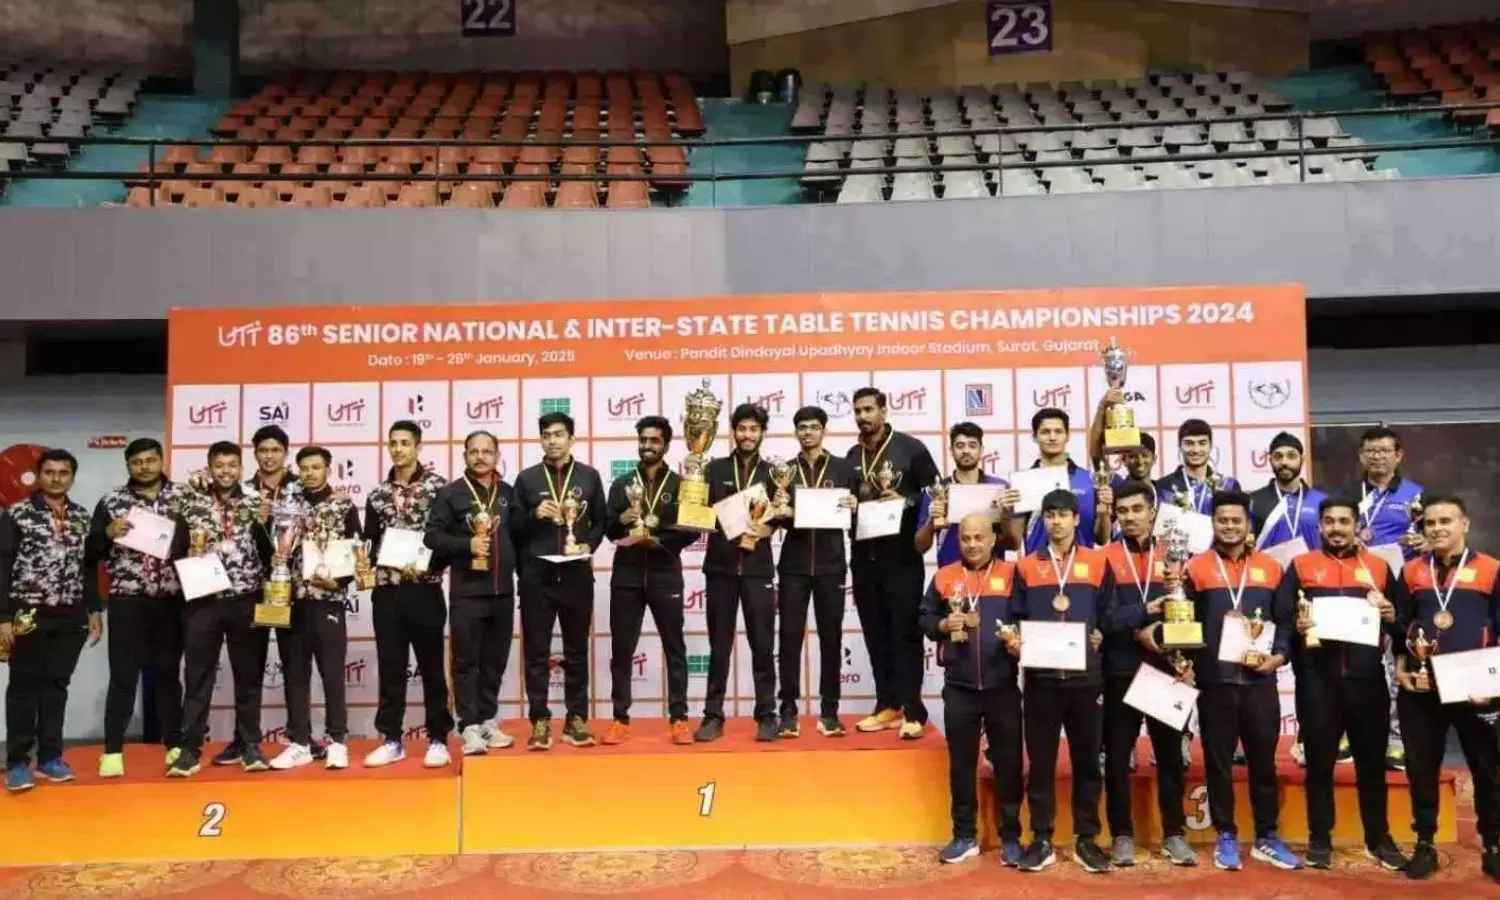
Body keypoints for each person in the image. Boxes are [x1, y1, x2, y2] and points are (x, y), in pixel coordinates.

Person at [1279, 495, 1408, 870]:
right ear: (1320, 526)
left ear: (1357, 526)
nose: (1336, 528)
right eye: (1329, 521)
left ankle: (1378, 838)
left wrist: (1392, 616)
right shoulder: (1301, 565)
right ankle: (1320, 838)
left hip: (1367, 682)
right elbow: (1282, 618)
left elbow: (1400, 626)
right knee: (1319, 764)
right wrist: (1297, 625)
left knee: (1372, 765)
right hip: (1317, 682)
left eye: (1344, 521)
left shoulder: (1379, 568)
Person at [1183, 490, 1299, 871]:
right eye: (1222, 520)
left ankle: (1267, 835)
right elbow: (1185, 624)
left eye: (1236, 520)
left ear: (1249, 524)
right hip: (1215, 682)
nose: (1229, 526)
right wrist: (1186, 662)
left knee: (1263, 762)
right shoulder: (1194, 568)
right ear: (1212, 523)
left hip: (1259, 682)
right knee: (1218, 763)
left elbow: (1285, 621)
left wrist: (1279, 656)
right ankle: (1226, 834)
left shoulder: (1271, 568)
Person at [1002, 488, 1112, 874]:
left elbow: (1109, 612)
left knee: (1088, 763)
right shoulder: (1025, 567)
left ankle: (1087, 838)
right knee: (1041, 763)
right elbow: (1015, 616)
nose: (1057, 521)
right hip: (1042, 680)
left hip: (1086, 680)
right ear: (1043, 520)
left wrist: (1103, 633)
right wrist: (1015, 639)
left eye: (1064, 514)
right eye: (1050, 515)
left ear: (1077, 519)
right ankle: (1042, 838)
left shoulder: (1097, 563)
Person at [1393, 492, 1500, 882]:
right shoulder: (1411, 572)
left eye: (1445, 521)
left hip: (1477, 686)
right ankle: (1424, 844)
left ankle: (1493, 845)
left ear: (1464, 524)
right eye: (1430, 523)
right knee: (1421, 769)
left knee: (1488, 769)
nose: (1437, 528)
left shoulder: (1492, 569)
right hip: (1423, 685)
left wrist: (1496, 682)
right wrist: (1401, 666)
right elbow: (1400, 624)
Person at [920, 513, 1024, 867]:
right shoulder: (944, 576)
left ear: (994, 539)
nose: (973, 545)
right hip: (959, 687)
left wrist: (1020, 641)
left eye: (980, 537)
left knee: (1009, 763)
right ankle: (964, 835)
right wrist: (941, 624)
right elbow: (923, 618)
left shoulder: (1011, 575)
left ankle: (1011, 836)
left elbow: (1026, 618)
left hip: (1002, 685)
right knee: (962, 765)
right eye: (966, 538)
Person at [1101, 479, 1195, 867]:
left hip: (1166, 670)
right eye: (1122, 511)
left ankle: (1174, 833)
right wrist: (1144, 619)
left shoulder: (1176, 554)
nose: (1130, 517)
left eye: (1137, 509)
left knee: (1171, 757)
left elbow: (1192, 612)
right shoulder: (1104, 558)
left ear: (1152, 513)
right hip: (1121, 670)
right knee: (1118, 758)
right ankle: (1122, 835)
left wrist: (1185, 657)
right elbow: (1105, 619)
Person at [1, 449, 102, 791]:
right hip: (27, 613)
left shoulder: (82, 517)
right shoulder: (17, 514)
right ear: (39, 475)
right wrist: (3, 617)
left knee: (56, 687)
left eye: (63, 472)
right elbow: (2, 566)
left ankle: (50, 758)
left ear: (72, 477)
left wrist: (94, 609)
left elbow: (88, 569)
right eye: (50, 472)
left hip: (70, 615)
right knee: (23, 688)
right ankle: (17, 762)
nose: (56, 478)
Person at [170, 442, 273, 777]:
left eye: (231, 465)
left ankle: (250, 746)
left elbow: (270, 553)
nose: (225, 471)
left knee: (248, 676)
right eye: (219, 465)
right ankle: (190, 750)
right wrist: (191, 576)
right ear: (209, 467)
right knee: (197, 676)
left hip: (247, 598)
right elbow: (175, 550)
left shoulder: (257, 501)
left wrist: (267, 526)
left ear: (241, 468)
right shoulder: (191, 501)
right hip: (204, 602)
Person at [91, 437, 191, 778]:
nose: (144, 467)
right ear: (128, 465)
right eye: (137, 462)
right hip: (127, 600)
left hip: (171, 599)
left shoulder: (185, 497)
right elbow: (91, 552)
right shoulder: (112, 501)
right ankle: (112, 751)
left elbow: (199, 541)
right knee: (123, 676)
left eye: (150, 460)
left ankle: (174, 744)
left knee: (167, 674)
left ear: (161, 460)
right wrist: (106, 533)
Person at [846, 387, 939, 738]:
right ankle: (887, 704)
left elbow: (935, 493)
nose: (863, 416)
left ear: (884, 411)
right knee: (875, 634)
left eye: (869, 409)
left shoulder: (911, 449)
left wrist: (905, 500)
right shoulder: (852, 456)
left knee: (905, 635)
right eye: (858, 411)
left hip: (902, 558)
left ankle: (913, 709)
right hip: (864, 557)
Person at [513, 412, 608, 751]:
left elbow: (601, 522)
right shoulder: (527, 479)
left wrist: (588, 545)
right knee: (536, 652)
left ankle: (576, 718)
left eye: (558, 434)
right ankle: (539, 720)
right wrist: (533, 514)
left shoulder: (589, 476)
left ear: (571, 438)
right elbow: (512, 528)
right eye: (546, 435)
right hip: (537, 577)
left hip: (576, 575)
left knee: (576, 651)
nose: (551, 440)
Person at [362, 420, 454, 768]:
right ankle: (391, 739)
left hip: (425, 590)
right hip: (387, 592)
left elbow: (447, 539)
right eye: (393, 443)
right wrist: (363, 560)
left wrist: (430, 565)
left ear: (418, 447)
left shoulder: (439, 488)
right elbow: (370, 541)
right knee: (391, 668)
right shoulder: (377, 494)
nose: (398, 449)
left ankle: (438, 739)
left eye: (405, 443)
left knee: (432, 668)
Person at [602, 415, 698, 745]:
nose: (647, 446)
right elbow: (607, 530)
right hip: (626, 576)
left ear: (666, 445)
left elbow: (692, 530)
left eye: (654, 441)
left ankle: (679, 718)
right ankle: (620, 718)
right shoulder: (622, 484)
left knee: (675, 648)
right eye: (643, 440)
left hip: (665, 574)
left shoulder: (681, 484)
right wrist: (621, 519)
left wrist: (660, 542)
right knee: (622, 649)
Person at [268, 446, 362, 771]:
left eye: (316, 467)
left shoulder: (343, 505)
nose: (309, 473)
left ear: (328, 469)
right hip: (290, 600)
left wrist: (340, 582)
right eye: (304, 468)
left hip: (328, 601)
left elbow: (357, 550)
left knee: (332, 674)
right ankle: (300, 743)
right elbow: (272, 546)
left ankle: (337, 742)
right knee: (295, 675)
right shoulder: (286, 506)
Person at [425, 430, 519, 756]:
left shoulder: (507, 493)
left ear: (497, 455)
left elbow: (519, 537)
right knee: (466, 663)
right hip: (467, 593)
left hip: (503, 592)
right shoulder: (451, 493)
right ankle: (469, 725)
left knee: (495, 662)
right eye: (474, 451)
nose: (481, 457)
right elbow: (432, 537)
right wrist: (467, 544)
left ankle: (488, 720)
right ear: (465, 455)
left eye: (487, 451)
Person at [215, 424, 298, 769]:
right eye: (263, 450)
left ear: (286, 453)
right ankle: (244, 740)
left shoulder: (300, 489)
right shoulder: (243, 492)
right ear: (254, 454)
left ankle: (300, 738)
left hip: (295, 589)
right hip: (252, 590)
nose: (269, 456)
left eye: (275, 450)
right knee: (250, 668)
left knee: (294, 664)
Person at [697, 403, 779, 743]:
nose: (747, 435)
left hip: (758, 570)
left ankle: (767, 715)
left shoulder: (775, 473)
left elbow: (783, 516)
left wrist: (770, 528)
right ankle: (712, 715)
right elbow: (698, 514)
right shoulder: (713, 469)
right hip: (721, 568)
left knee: (763, 644)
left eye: (753, 429)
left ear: (762, 433)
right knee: (719, 645)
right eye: (742, 428)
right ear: (733, 431)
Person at [1346, 425, 1425, 773]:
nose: (1377, 456)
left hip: (1398, 589)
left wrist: (1426, 543)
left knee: (1397, 663)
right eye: (1371, 451)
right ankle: (1348, 733)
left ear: (1398, 455)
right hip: (1354, 587)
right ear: (1361, 456)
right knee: (1352, 663)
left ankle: (1396, 740)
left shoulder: (1416, 495)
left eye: (1384, 450)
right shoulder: (1348, 494)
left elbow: (1433, 536)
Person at [777, 405, 859, 738]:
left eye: (813, 427)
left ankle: (830, 712)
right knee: (789, 638)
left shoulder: (843, 469)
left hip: (831, 565)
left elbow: (858, 514)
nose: (807, 432)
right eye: (802, 427)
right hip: (793, 566)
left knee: (831, 638)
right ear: (795, 432)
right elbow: (774, 518)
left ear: (824, 430)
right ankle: (787, 712)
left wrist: (855, 507)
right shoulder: (783, 471)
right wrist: (779, 510)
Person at [915, 421, 1017, 566]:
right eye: (960, 446)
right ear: (951, 450)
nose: (966, 451)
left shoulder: (1000, 488)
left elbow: (1013, 545)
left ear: (981, 450)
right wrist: (931, 522)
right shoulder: (936, 491)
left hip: (992, 573)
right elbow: (920, 547)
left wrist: (1005, 517)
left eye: (972, 445)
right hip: (950, 573)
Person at [1009, 408, 1109, 556]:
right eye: (1045, 432)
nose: (1052, 437)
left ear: (1067, 435)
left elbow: (1101, 539)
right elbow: (1014, 543)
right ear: (1035, 437)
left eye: (1058, 431)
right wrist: (1005, 515)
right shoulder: (1023, 482)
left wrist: (1104, 512)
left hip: (1083, 566)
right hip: (1039, 566)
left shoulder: (1088, 479)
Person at [1249, 432, 1325, 556]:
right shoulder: (1254, 501)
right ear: (1270, 461)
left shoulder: (1321, 501)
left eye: (1291, 456)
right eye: (1278, 456)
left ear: (1302, 459)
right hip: (1267, 568)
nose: (1284, 462)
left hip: (1313, 568)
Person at [1156, 420, 1240, 514]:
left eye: (1202, 443)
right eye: (1189, 443)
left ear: (1210, 445)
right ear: (1180, 446)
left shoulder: (1228, 487)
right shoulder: (1163, 487)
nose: (1196, 450)